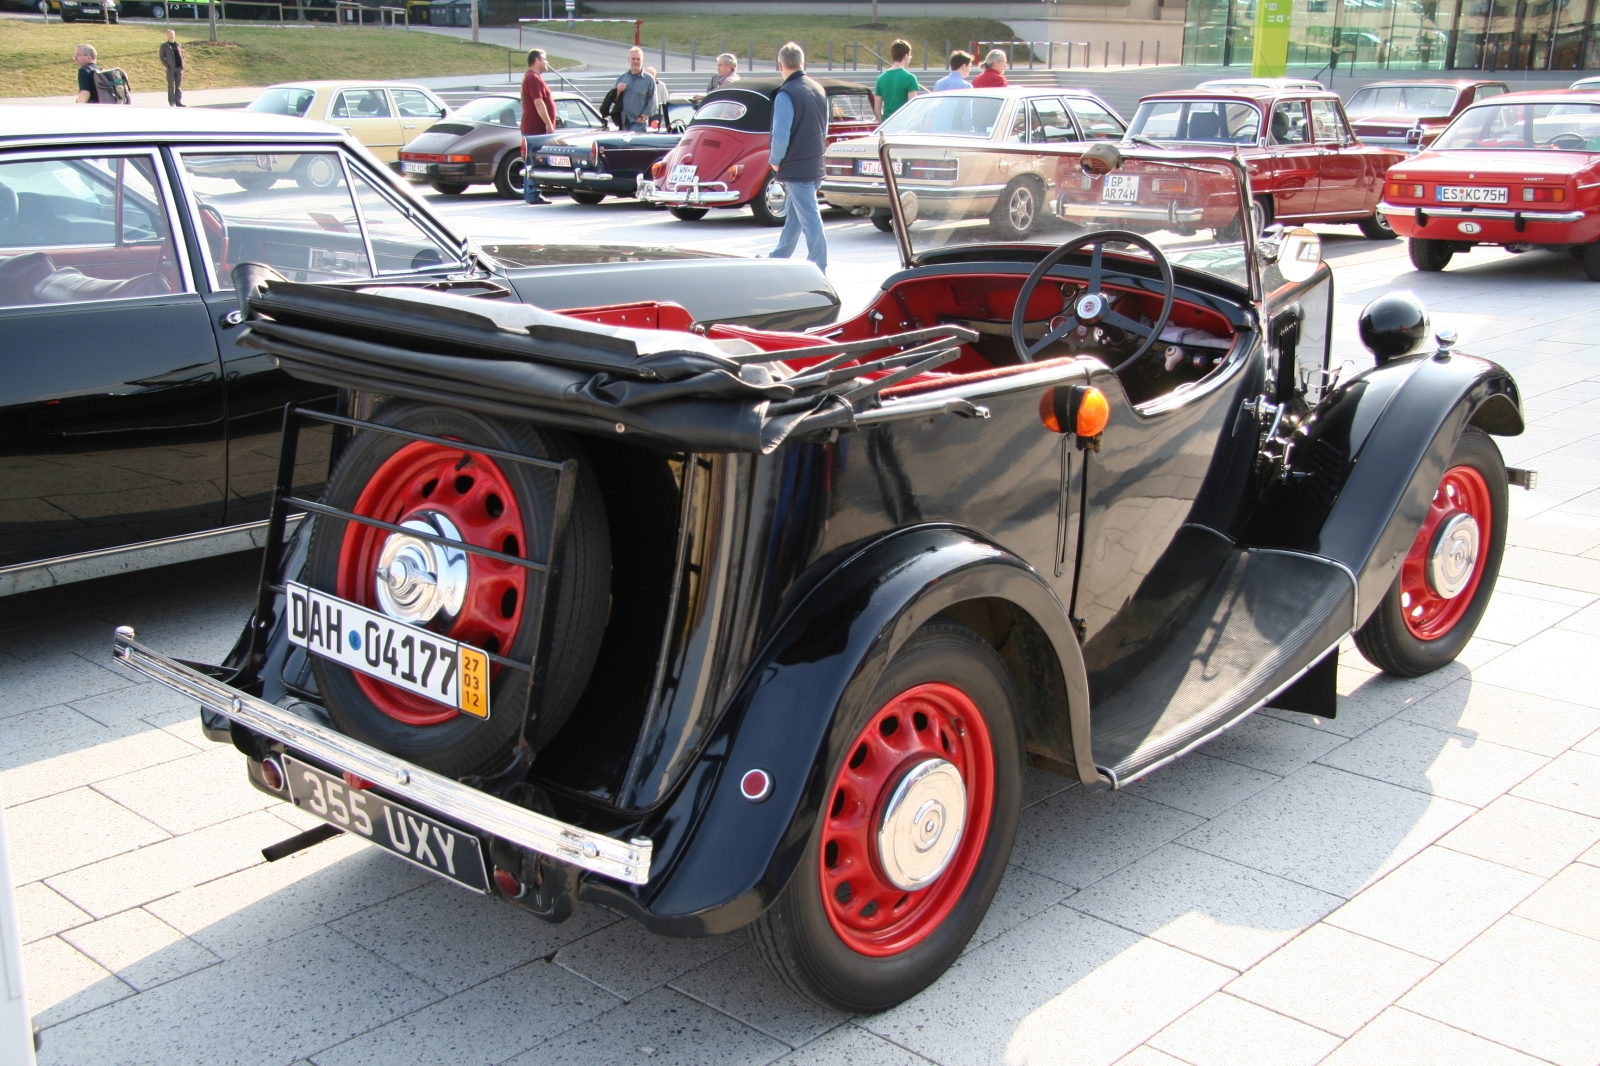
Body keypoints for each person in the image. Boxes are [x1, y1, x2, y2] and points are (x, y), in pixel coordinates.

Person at [768, 42, 827, 272]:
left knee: (810, 219)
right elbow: (825, 127)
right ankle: (778, 258)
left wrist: (775, 160)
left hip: (796, 167)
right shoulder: (819, 89)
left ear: (780, 65)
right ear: (803, 63)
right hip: (815, 162)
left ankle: (819, 268)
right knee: (795, 215)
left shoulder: (786, 94)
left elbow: (781, 134)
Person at [520, 48, 556, 205]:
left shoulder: (530, 77)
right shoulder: (533, 78)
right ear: (536, 61)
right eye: (544, 58)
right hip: (536, 129)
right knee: (535, 161)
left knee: (531, 161)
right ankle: (533, 194)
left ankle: (531, 193)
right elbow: (538, 102)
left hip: (532, 128)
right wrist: (548, 123)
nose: (547, 62)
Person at [874, 39, 920, 121]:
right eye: (910, 55)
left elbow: (877, 110)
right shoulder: (910, 78)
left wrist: (883, 125)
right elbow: (913, 107)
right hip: (903, 124)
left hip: (887, 123)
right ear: (906, 56)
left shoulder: (880, 78)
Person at [614, 48, 656, 132]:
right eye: (633, 59)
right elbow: (613, 100)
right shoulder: (622, 78)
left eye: (638, 59)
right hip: (623, 122)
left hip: (638, 125)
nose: (636, 61)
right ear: (629, 60)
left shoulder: (649, 80)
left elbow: (653, 104)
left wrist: (642, 118)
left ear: (642, 60)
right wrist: (618, 91)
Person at [159, 30, 184, 107]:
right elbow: (161, 57)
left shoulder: (178, 45)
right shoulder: (164, 45)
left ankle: (178, 101)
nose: (172, 36)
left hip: (179, 68)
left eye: (173, 34)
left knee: (178, 86)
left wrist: (183, 64)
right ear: (167, 36)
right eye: (170, 35)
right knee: (171, 86)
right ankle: (172, 102)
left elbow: (182, 55)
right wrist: (167, 65)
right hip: (171, 68)